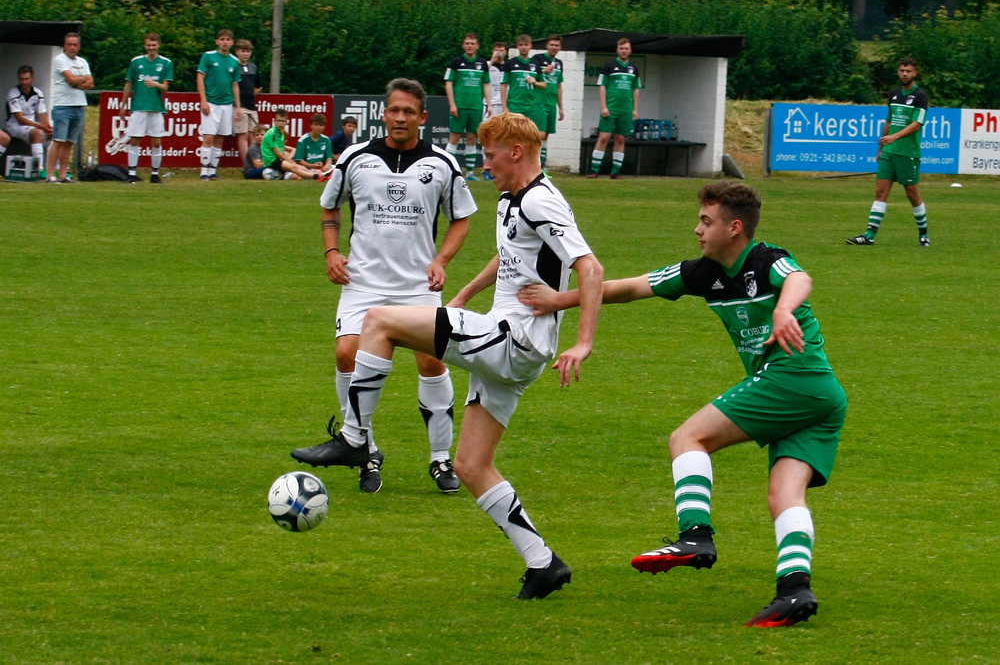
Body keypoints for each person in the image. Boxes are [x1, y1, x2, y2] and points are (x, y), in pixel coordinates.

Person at [298, 111, 604, 599]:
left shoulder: (542, 200)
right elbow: (508, 257)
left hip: (513, 340)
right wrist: (461, 298)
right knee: (472, 465)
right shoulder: (514, 199)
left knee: (379, 321)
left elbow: (590, 268)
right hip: (510, 348)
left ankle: (357, 439)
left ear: (517, 152)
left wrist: (584, 342)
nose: (485, 164)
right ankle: (543, 563)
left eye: (490, 154)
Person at [519, 181, 847, 625]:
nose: (697, 230)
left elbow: (799, 277)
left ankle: (695, 536)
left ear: (735, 228)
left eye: (706, 222)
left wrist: (784, 310)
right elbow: (632, 288)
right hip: (822, 398)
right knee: (784, 494)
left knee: (687, 437)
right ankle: (794, 591)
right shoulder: (702, 272)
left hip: (795, 378)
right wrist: (563, 299)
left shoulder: (765, 259)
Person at [290, 78, 477, 494]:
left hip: (417, 285)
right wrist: (332, 252)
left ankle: (441, 458)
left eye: (409, 111)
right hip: (363, 283)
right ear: (384, 113)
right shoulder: (355, 158)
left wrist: (441, 260)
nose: (400, 118)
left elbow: (461, 217)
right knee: (346, 353)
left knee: (431, 363)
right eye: (394, 110)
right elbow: (329, 206)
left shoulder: (443, 164)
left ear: (422, 118)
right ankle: (364, 447)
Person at [846, 57, 930, 247]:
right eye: (902, 70)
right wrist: (882, 146)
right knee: (880, 192)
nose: (904, 74)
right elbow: (889, 121)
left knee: (912, 194)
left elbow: (917, 124)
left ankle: (924, 235)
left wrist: (894, 138)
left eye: (908, 71)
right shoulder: (893, 95)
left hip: (908, 153)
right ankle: (869, 235)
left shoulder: (920, 97)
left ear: (914, 73)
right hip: (889, 153)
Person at [119, 32, 173, 184]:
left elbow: (165, 88)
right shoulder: (136, 62)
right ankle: (131, 173)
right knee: (135, 139)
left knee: (156, 142)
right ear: (145, 46)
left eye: (154, 45)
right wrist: (123, 105)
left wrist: (156, 84)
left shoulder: (166, 62)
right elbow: (129, 83)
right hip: (139, 106)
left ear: (158, 45)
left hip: (156, 107)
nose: (151, 48)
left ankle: (155, 175)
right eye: (148, 45)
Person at [587, 38, 641, 179]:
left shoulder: (634, 68)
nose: (624, 51)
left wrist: (635, 109)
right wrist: (604, 106)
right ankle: (594, 170)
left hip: (626, 110)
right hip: (610, 108)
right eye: (621, 48)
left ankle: (615, 172)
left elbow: (636, 89)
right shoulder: (609, 66)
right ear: (617, 50)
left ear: (630, 50)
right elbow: (602, 86)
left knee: (621, 139)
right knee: (604, 137)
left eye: (626, 48)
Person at [444, 32, 491, 181]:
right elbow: (448, 82)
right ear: (463, 45)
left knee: (472, 138)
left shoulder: (482, 63)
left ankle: (470, 173)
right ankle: (448, 170)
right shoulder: (456, 62)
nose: (470, 46)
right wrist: (452, 104)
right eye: (467, 43)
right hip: (460, 106)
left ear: (477, 46)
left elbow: (486, 83)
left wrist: (489, 104)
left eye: (472, 43)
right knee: (454, 138)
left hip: (476, 107)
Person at [47, 32, 93, 184]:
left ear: (79, 46)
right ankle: (50, 175)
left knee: (69, 142)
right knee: (58, 140)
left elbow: (91, 83)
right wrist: (81, 80)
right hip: (63, 106)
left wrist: (77, 81)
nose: (72, 48)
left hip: (79, 105)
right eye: (69, 44)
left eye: (75, 45)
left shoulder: (83, 62)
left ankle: (63, 175)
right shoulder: (60, 59)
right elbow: (71, 80)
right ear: (65, 46)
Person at [196, 29, 241, 180]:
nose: (225, 42)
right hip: (211, 103)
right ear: (217, 41)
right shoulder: (208, 57)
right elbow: (200, 77)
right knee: (209, 136)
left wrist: (238, 107)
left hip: (227, 104)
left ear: (232, 42)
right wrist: (203, 100)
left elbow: (235, 85)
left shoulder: (234, 61)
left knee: (221, 137)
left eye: (228, 39)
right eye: (222, 39)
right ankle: (203, 172)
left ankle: (212, 170)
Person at [6, 65, 52, 174]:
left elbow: (42, 115)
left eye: (26, 79)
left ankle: (56, 170)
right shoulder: (13, 93)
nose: (24, 82)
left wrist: (48, 128)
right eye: (21, 79)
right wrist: (41, 127)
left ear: (32, 78)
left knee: (56, 135)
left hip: (32, 125)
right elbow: (20, 119)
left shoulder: (38, 93)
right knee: (37, 133)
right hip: (15, 126)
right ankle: (39, 169)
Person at [530, 34, 565, 173]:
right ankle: (536, 165)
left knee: (547, 135)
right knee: (541, 134)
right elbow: (531, 75)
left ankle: (542, 166)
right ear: (547, 45)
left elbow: (559, 86)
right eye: (551, 44)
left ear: (560, 47)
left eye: (556, 45)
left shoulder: (559, 63)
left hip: (551, 104)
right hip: (539, 102)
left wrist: (561, 107)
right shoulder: (537, 59)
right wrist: (544, 70)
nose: (554, 47)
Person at [261, 108, 324, 181]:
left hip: (277, 159)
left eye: (283, 121)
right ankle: (316, 176)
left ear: (286, 122)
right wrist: (290, 162)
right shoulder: (273, 133)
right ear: (274, 121)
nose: (281, 123)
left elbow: (281, 150)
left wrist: (292, 162)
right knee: (294, 167)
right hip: (271, 160)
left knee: (298, 166)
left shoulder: (281, 133)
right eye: (279, 120)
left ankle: (316, 174)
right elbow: (277, 153)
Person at [501, 34, 546, 130]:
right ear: (517, 46)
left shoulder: (535, 64)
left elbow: (544, 85)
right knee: (513, 134)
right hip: (514, 106)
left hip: (531, 107)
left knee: (527, 135)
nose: (523, 47)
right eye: (521, 45)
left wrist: (535, 82)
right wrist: (505, 107)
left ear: (530, 46)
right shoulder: (510, 63)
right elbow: (503, 85)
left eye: (526, 45)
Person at [233, 39, 262, 165]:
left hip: (251, 106)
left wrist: (251, 94)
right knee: (243, 135)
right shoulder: (233, 67)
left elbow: (259, 86)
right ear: (237, 52)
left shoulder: (253, 67)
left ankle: (256, 162)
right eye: (242, 51)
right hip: (239, 106)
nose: (245, 54)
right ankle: (247, 165)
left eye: (248, 51)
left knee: (254, 135)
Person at [484, 42, 506, 181]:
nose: (499, 52)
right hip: (489, 104)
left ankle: (500, 168)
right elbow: (483, 72)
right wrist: (492, 60)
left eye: (501, 50)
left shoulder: (508, 66)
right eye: (496, 49)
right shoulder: (487, 64)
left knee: (502, 138)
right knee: (487, 136)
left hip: (503, 104)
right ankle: (487, 169)